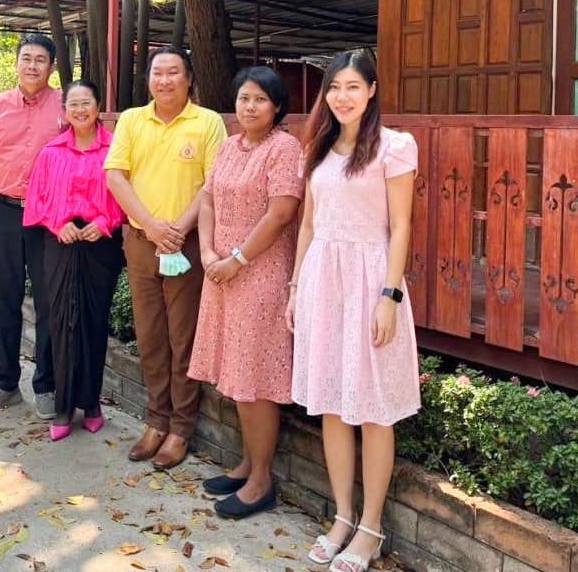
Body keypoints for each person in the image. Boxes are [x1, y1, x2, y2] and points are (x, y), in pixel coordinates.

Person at [286, 51, 420, 572]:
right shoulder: (318, 147)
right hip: (323, 280)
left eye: (353, 87)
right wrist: (296, 288)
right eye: (334, 87)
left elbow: (401, 226)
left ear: (371, 91)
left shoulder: (394, 146)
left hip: (370, 281)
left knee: (372, 407)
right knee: (332, 404)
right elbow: (307, 224)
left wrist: (389, 297)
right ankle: (342, 517)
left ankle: (371, 527)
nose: (342, 97)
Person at [187, 66, 303, 518]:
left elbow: (281, 214)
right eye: (243, 98)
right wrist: (207, 251)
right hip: (221, 272)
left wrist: (235, 259)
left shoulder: (284, 148)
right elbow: (208, 199)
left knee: (255, 379)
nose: (249, 107)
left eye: (259, 99)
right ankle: (246, 464)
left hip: (260, 274)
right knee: (236, 374)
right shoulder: (229, 146)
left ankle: (262, 481)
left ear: (277, 106)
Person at [106, 45, 226, 469]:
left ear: (189, 79)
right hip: (142, 242)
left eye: (174, 72)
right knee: (150, 336)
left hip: (186, 244)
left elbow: (212, 184)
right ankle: (156, 421)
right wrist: (152, 227)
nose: (164, 80)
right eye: (158, 73)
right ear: (149, 80)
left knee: (183, 338)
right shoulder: (132, 120)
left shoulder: (207, 122)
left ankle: (180, 429)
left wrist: (176, 230)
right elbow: (116, 176)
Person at [0, 33, 66, 419]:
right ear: (16, 63)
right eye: (27, 58)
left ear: (52, 67)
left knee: (48, 303)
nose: (32, 65)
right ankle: (6, 384)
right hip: (4, 212)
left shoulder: (65, 105)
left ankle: (46, 385)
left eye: (41, 59)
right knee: (4, 301)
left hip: (47, 216)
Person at [22, 80, 124, 441]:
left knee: (95, 321)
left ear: (98, 107)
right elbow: (36, 199)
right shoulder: (51, 152)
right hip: (60, 240)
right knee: (62, 321)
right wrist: (57, 223)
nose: (80, 110)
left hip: (101, 242)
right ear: (64, 110)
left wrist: (106, 221)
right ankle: (64, 406)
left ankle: (91, 403)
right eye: (73, 104)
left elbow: (128, 193)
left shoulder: (115, 149)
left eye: (86, 103)